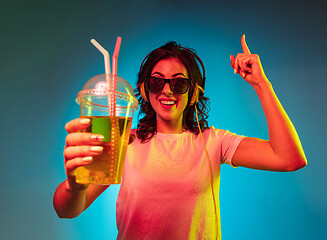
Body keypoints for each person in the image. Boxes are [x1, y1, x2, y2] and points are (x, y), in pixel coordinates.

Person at [53, 35, 307, 239]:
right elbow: (66, 209)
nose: (166, 91)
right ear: (143, 88)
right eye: (156, 82)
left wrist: (262, 85)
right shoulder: (122, 140)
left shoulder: (214, 142)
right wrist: (74, 186)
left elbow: (289, 158)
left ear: (193, 93)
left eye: (179, 84)